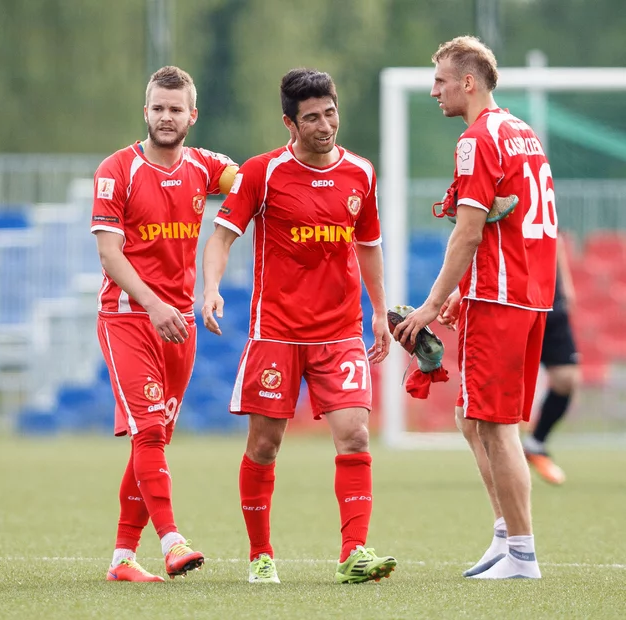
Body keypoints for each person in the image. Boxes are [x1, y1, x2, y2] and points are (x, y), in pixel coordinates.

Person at [201, 68, 397, 585]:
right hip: (277, 334)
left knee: (354, 436)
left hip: (339, 334)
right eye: (311, 117)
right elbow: (221, 238)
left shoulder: (361, 172)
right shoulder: (262, 173)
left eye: (330, 112)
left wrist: (379, 311)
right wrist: (212, 287)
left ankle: (353, 553)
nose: (325, 125)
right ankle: (260, 555)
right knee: (264, 447)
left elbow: (369, 246)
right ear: (290, 123)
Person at [393, 36, 558, 580]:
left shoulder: (476, 138)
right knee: (472, 416)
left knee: (496, 424)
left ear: (469, 82)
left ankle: (522, 557)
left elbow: (467, 233)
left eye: (441, 80)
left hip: (504, 295)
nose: (434, 90)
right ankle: (505, 535)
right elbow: (508, 220)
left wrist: (430, 305)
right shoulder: (522, 131)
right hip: (527, 289)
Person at [91, 66, 238, 582]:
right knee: (150, 430)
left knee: (149, 441)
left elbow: (255, 186)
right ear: (145, 111)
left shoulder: (205, 166)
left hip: (179, 326)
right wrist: (154, 304)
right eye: (158, 108)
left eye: (176, 109)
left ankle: (122, 559)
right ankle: (173, 542)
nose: (166, 117)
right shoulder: (116, 170)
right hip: (129, 318)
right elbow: (111, 255)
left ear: (192, 116)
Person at [523, 235, 580, 484]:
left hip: (551, 300)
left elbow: (551, 235)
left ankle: (535, 444)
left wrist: (565, 283)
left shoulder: (542, 195)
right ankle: (500, 453)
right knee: (505, 381)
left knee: (566, 379)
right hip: (515, 298)